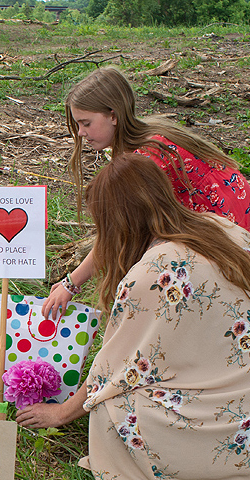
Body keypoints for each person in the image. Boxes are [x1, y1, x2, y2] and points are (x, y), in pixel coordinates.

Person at [18, 153, 250, 479]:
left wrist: (62, 412)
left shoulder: (153, 273)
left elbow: (115, 369)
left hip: (222, 428)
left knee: (112, 410)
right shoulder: (220, 225)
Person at [42, 66, 250, 320]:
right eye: (78, 124)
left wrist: (71, 283)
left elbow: (116, 232)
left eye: (86, 123)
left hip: (226, 240)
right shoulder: (149, 132)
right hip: (235, 222)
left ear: (113, 116)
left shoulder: (146, 159)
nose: (81, 133)